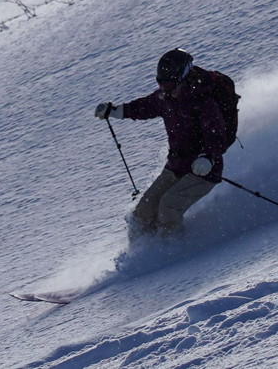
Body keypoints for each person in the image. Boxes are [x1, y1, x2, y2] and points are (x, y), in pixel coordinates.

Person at [95, 48, 237, 237]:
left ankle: (171, 253)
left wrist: (208, 157)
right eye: (162, 86)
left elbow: (216, 134)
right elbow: (143, 107)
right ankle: (142, 251)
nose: (167, 92)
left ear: (184, 78)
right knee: (144, 210)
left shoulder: (202, 101)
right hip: (176, 165)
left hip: (202, 170)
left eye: (171, 87)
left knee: (168, 206)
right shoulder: (165, 97)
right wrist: (115, 111)